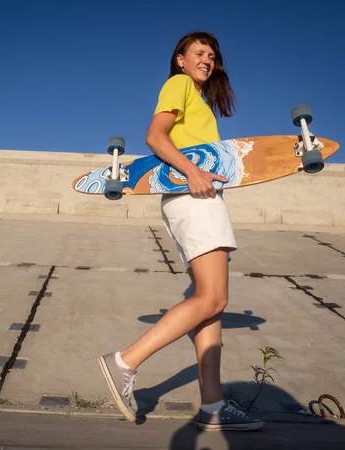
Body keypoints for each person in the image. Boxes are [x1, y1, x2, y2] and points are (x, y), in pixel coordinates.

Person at [97, 31, 263, 431]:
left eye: (212, 55)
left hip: (197, 197)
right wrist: (192, 171)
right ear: (180, 59)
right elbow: (155, 136)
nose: (207, 59)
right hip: (194, 196)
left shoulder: (200, 98)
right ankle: (124, 362)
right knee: (214, 297)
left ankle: (212, 406)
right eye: (199, 53)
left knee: (211, 303)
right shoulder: (179, 84)